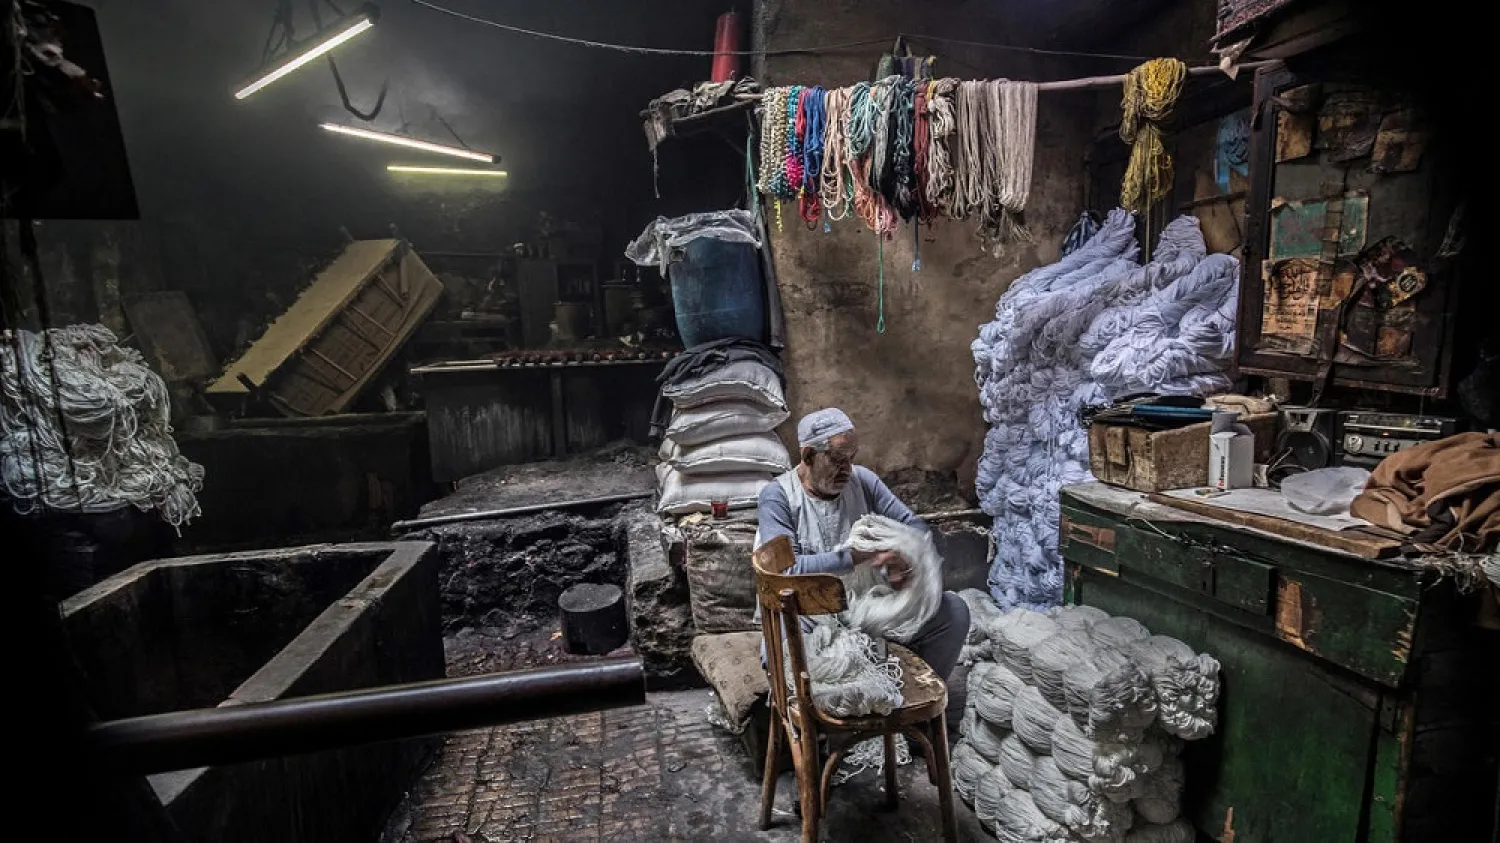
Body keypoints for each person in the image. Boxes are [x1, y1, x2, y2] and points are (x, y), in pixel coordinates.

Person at [755, 408, 970, 682]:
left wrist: (902, 553)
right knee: (785, 654)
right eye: (837, 459)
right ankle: (836, 713)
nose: (847, 469)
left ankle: (910, 702)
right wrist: (854, 557)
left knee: (954, 612)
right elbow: (785, 570)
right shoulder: (778, 497)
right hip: (807, 614)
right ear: (808, 455)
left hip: (865, 607)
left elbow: (914, 526)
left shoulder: (863, 481)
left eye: (851, 458)